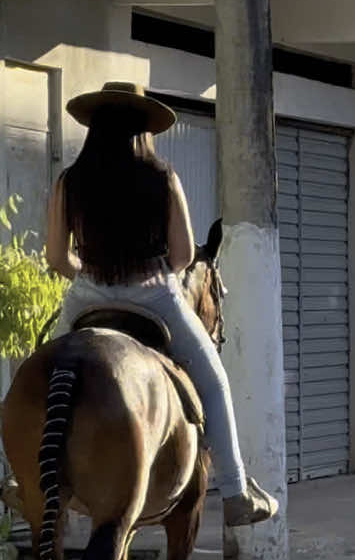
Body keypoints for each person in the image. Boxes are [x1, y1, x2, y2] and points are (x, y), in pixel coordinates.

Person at [43, 80, 279, 529]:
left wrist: (91, 277)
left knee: (42, 377)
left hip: (86, 296)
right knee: (213, 378)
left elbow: (56, 257)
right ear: (142, 129)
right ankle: (235, 492)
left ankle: (28, 481)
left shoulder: (70, 181)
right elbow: (185, 256)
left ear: (94, 126)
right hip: (156, 296)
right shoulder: (162, 177)